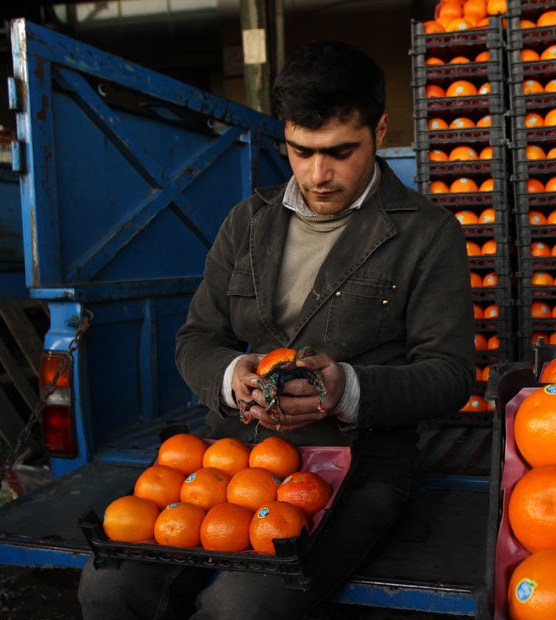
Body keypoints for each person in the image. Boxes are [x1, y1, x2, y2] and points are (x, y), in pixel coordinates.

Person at [78, 39, 475, 619]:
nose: (318, 174)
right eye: (299, 150)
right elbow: (197, 338)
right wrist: (231, 376)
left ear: (381, 130)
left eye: (341, 152)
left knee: (242, 605)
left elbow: (451, 374)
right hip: (233, 453)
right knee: (109, 586)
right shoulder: (248, 222)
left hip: (357, 462)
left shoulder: (428, 234)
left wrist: (348, 390)